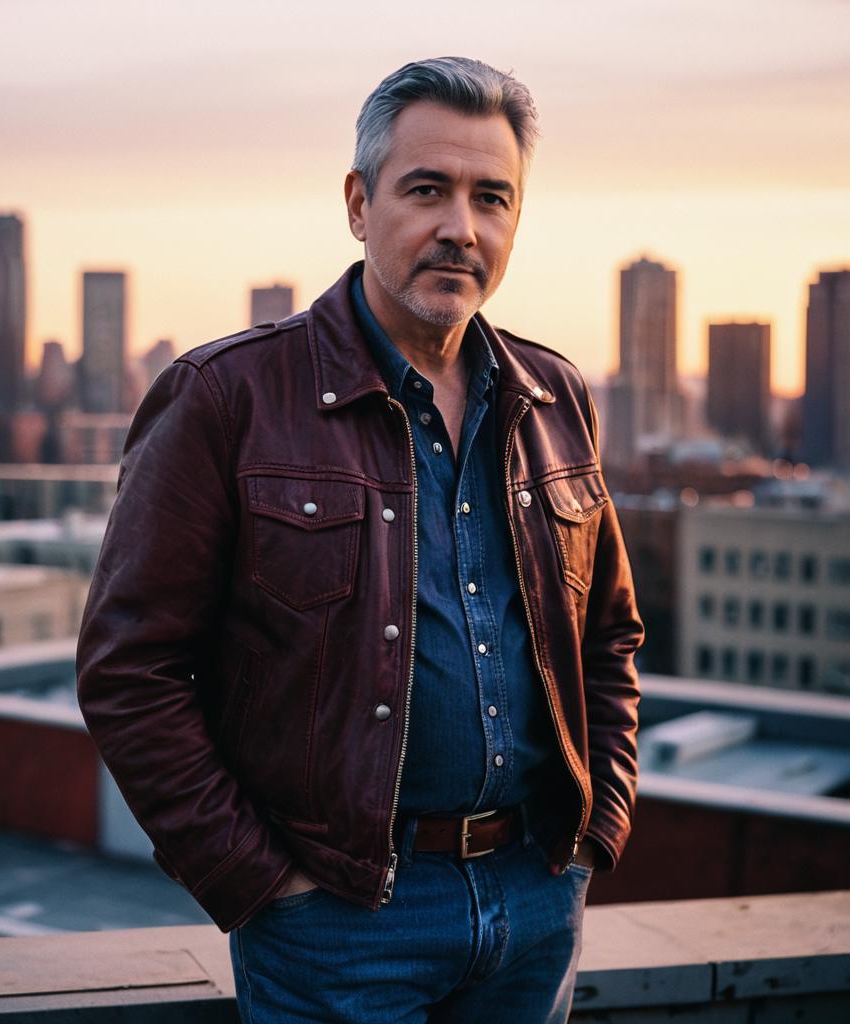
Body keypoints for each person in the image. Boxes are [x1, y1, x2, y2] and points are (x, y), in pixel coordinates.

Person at [76, 56, 643, 1023]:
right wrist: (260, 884)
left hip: (535, 898)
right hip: (338, 920)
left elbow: (610, 638)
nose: (460, 226)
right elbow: (131, 669)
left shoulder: (554, 399)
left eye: (491, 198)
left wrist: (598, 829)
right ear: (357, 201)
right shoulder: (228, 398)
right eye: (426, 189)